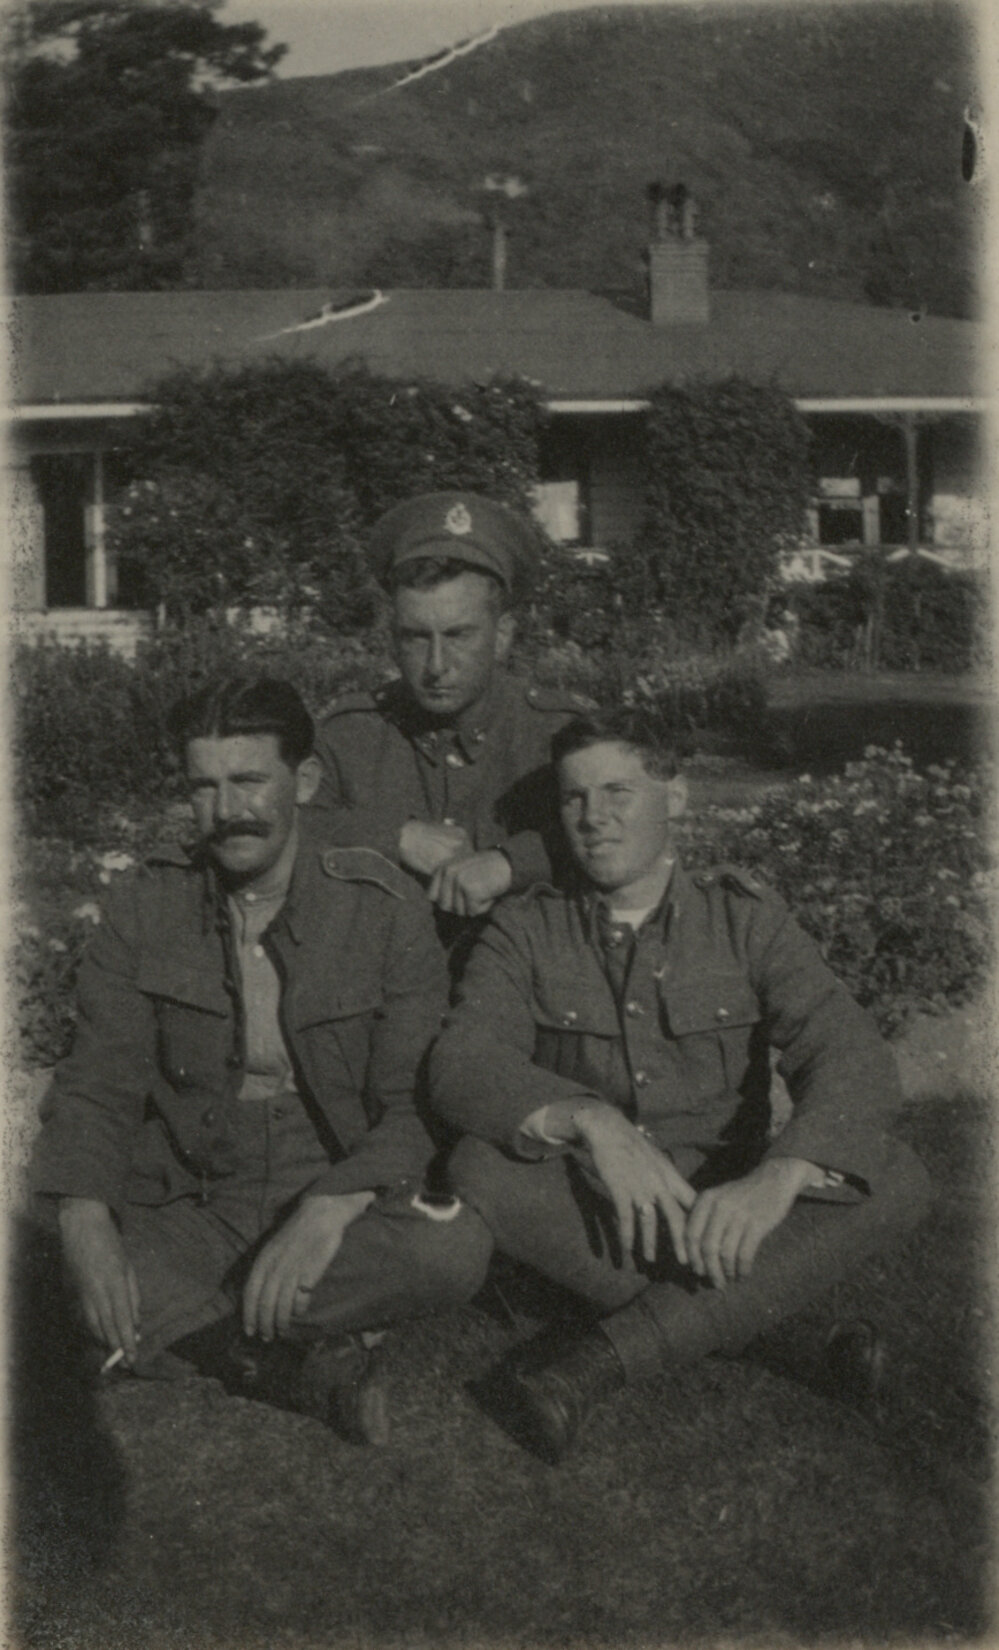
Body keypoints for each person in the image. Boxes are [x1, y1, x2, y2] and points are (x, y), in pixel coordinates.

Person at [430, 707, 933, 1462]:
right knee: (479, 1166)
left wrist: (778, 1176)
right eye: (574, 798)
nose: (592, 819)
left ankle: (590, 1365)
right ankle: (779, 1334)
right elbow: (461, 1060)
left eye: (617, 793)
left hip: (726, 1206)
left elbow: (853, 1055)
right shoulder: (526, 928)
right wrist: (591, 1121)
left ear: (675, 796)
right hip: (598, 1208)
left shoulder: (743, 921)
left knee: (893, 1172)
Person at [30, 676, 491, 1444]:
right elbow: (97, 1081)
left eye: (249, 781)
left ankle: (180, 1329)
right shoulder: (147, 905)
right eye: (204, 787)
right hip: (196, 1195)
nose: (228, 810)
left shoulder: (380, 908)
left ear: (303, 782)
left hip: (333, 1185)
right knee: (42, 1232)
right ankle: (281, 1363)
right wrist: (84, 1219)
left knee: (452, 1248)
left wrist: (331, 1207)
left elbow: (414, 1101)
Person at [310, 491, 587, 933]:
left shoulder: (558, 735)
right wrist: (396, 837)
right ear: (393, 637)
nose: (436, 666)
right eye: (416, 637)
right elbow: (285, 824)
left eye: (459, 636)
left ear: (502, 636)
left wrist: (512, 863)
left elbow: (622, 831)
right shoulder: (351, 737)